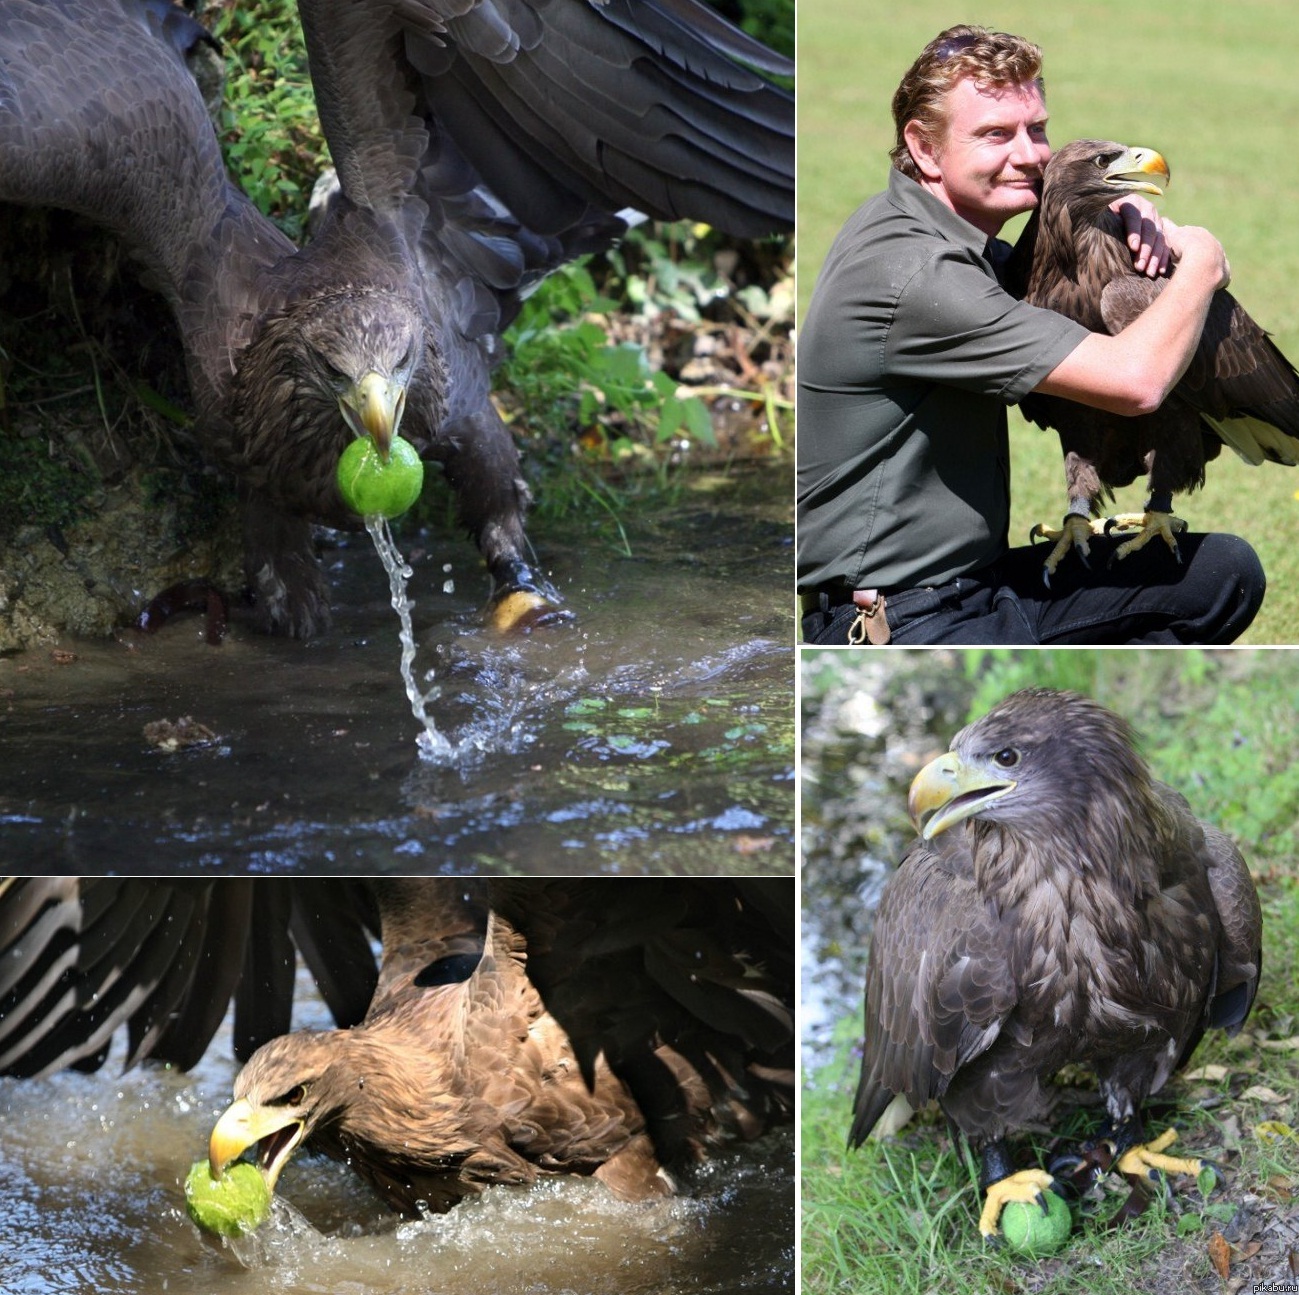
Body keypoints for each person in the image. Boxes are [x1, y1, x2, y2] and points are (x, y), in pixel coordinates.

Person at [796, 25, 1265, 645]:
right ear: (925, 146)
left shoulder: (912, 224)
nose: (1030, 155)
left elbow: (1043, 244)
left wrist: (1113, 206)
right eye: (995, 134)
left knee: (1220, 574)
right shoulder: (920, 278)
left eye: (1036, 129)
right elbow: (1136, 382)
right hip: (900, 621)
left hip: (976, 583)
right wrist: (1202, 261)